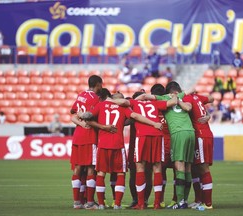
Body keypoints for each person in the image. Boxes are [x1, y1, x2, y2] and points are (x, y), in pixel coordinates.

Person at [79, 92, 164, 210]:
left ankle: (101, 205)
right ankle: (117, 204)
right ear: (120, 100)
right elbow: (135, 117)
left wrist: (85, 117)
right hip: (118, 145)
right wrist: (154, 123)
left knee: (101, 173)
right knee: (120, 173)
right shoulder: (123, 108)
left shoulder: (101, 105)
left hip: (103, 144)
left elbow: (88, 119)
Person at [137, 81, 195, 209]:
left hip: (178, 133)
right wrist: (178, 97)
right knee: (188, 167)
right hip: (191, 132)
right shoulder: (184, 97)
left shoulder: (162, 99)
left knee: (177, 166)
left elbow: (146, 97)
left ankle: (179, 202)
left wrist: (134, 101)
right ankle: (182, 200)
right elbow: (190, 102)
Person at [70, 75, 115, 210]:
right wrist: (104, 127)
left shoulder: (81, 95)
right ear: (98, 84)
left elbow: (73, 115)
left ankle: (77, 202)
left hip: (77, 135)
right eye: (101, 85)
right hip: (90, 136)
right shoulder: (96, 99)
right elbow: (91, 119)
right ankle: (90, 202)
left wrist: (80, 124)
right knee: (91, 168)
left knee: (78, 167)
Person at [182, 92, 214, 210]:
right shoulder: (197, 97)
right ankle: (199, 200)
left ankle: (208, 203)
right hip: (201, 135)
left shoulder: (186, 98)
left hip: (201, 135)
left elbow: (188, 108)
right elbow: (211, 98)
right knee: (195, 168)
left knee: (203, 168)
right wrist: (208, 114)